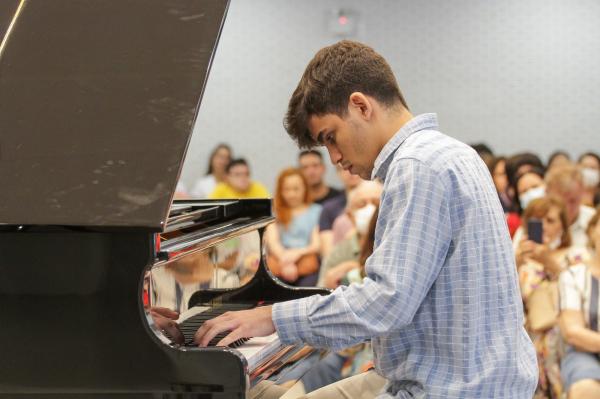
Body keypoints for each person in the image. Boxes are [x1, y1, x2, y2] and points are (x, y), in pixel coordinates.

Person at [194, 40, 537, 398]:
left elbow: (385, 302)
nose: (335, 158)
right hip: (458, 372)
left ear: (360, 106)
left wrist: (269, 318)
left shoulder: (416, 166)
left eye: (331, 138)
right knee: (268, 394)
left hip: (450, 388)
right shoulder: (451, 152)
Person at [516, 196, 585, 399]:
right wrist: (517, 262)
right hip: (530, 344)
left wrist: (549, 261)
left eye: (551, 220)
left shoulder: (576, 255)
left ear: (563, 225)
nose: (544, 226)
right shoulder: (520, 260)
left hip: (564, 342)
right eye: (538, 220)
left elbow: (582, 292)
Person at [558, 208, 600, 398]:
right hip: (585, 354)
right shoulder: (574, 275)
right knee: (586, 389)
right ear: (591, 231)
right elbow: (574, 333)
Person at [265, 168, 322, 286]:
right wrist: (286, 261)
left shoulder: (317, 211)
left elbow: (316, 244)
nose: (291, 194)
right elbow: (273, 242)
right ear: (280, 191)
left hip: (307, 261)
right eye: (287, 189)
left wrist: (297, 253)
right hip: (280, 261)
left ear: (305, 188)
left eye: (296, 189)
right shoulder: (275, 212)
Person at [318, 165, 363, 257]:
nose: (351, 172)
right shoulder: (329, 208)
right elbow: (328, 254)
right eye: (345, 168)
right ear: (338, 173)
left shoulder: (379, 199)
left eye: (353, 166)